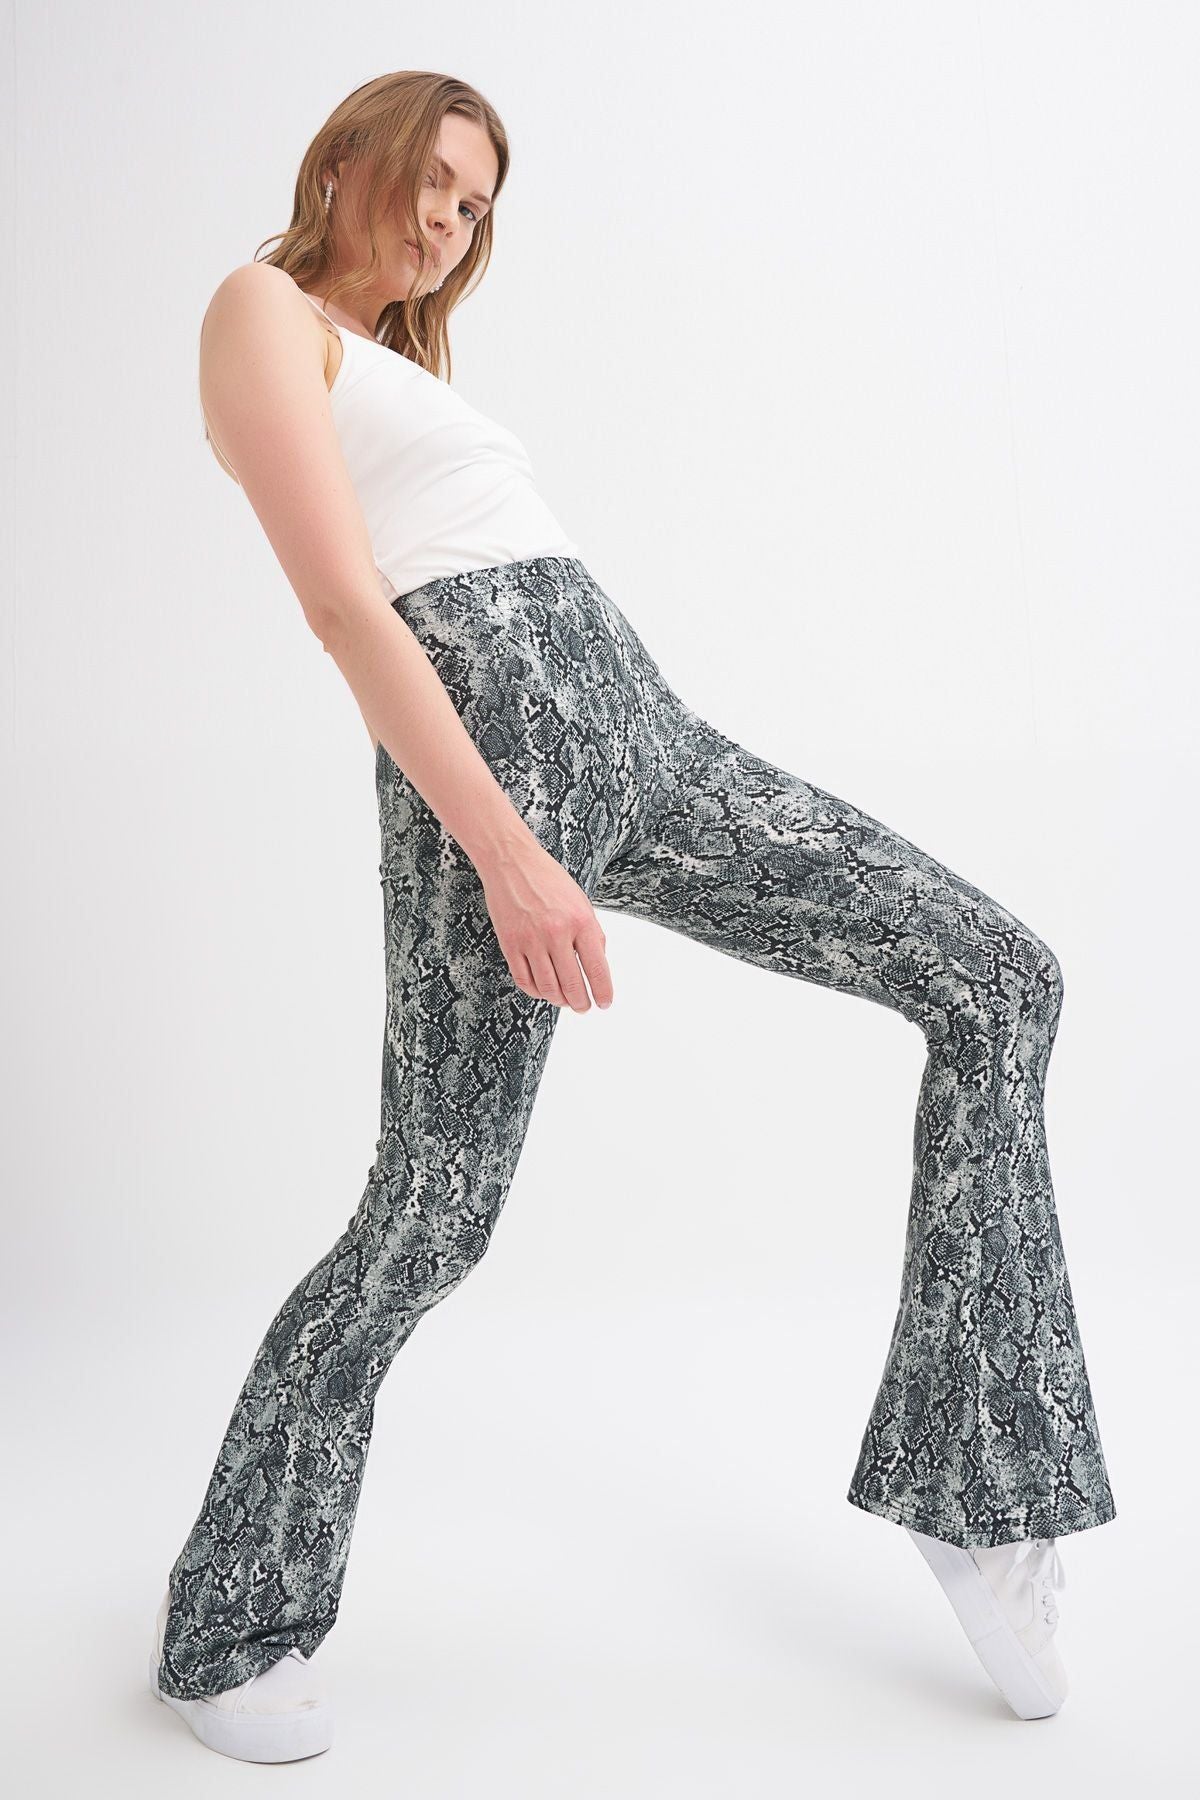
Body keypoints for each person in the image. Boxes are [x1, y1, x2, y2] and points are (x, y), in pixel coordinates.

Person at [148, 70, 1117, 1762]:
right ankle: (233, 1626)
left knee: (997, 976)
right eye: (436, 178)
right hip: (504, 761)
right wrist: (512, 853)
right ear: (349, 156)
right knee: (432, 1214)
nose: (452, 219)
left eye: (478, 204)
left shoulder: (399, 361)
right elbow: (345, 605)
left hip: (649, 737)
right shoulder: (259, 309)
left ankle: (978, 1485)